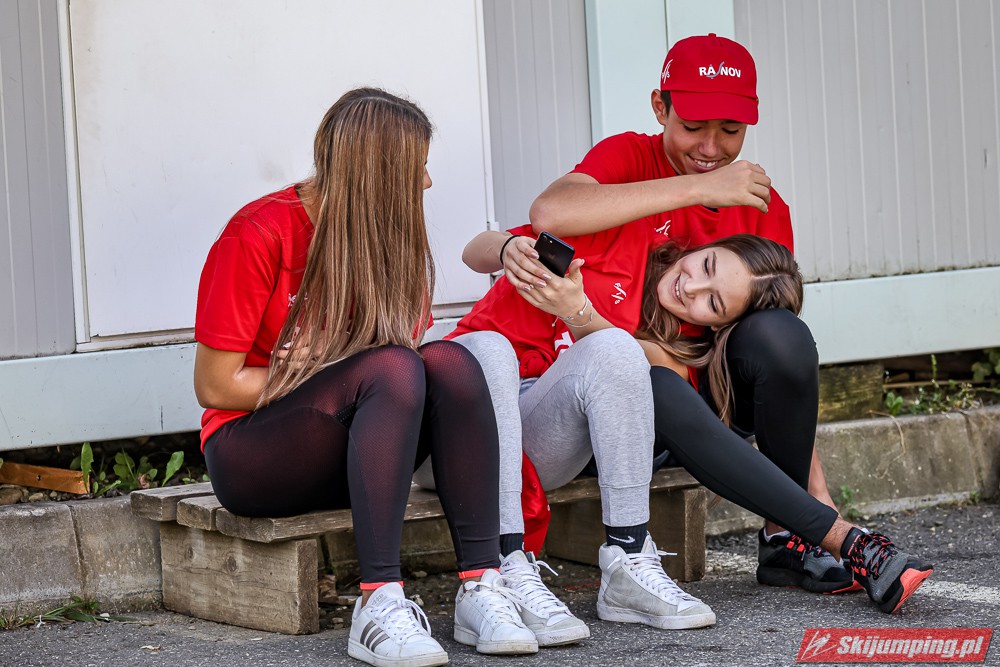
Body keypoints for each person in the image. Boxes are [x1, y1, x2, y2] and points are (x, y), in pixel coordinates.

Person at [193, 88, 539, 667]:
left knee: (451, 363)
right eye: (417, 167)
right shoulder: (258, 233)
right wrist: (314, 372)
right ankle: (378, 602)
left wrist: (332, 365)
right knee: (395, 367)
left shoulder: (389, 241)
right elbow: (215, 386)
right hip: (252, 454)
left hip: (356, 450)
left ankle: (483, 585)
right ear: (377, 173)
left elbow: (396, 371)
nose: (427, 182)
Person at [457, 222, 932, 621]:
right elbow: (473, 250)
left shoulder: (683, 339)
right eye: (705, 266)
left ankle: (810, 539)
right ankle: (846, 540)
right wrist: (508, 248)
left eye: (713, 303)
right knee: (509, 354)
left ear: (718, 324)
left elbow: (623, 364)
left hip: (580, 438)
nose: (691, 288)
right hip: (491, 411)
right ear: (706, 247)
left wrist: (577, 313)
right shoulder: (622, 251)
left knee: (656, 381)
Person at [525, 32, 857, 595]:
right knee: (654, 378)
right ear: (660, 107)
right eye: (693, 126)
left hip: (711, 404)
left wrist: (818, 494)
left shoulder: (761, 206)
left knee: (782, 332)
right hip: (624, 408)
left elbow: (783, 364)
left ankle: (787, 536)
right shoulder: (629, 156)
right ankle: (825, 532)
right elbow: (549, 213)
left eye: (730, 130)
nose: (711, 147)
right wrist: (696, 189)